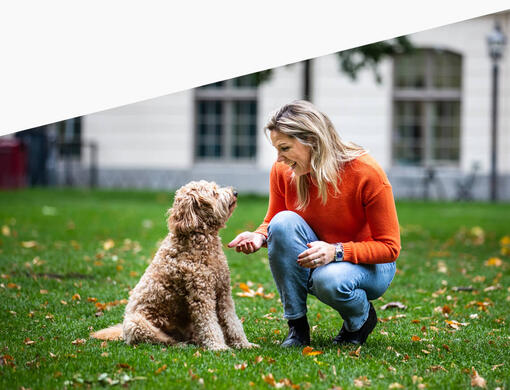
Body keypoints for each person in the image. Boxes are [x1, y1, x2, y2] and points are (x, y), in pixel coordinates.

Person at [228, 100, 400, 347]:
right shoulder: (283, 170)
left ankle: (360, 320)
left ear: (312, 140)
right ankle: (297, 328)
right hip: (320, 258)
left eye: (285, 148)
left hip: (372, 266)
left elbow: (389, 248)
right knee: (283, 221)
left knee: (329, 279)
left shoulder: (366, 172)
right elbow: (274, 219)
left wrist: (336, 251)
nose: (279, 158)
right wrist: (259, 236)